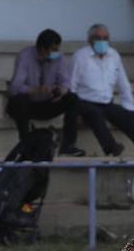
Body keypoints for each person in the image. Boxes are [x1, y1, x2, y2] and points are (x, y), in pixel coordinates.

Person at [69, 24, 134, 157]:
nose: (102, 41)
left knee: (131, 116)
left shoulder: (113, 55)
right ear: (90, 39)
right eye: (98, 38)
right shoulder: (80, 57)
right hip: (85, 103)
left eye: (105, 38)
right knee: (95, 114)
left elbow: (123, 83)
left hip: (106, 102)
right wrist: (74, 112)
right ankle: (111, 148)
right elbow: (71, 86)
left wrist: (129, 106)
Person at [7, 28, 83, 156]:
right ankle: (26, 143)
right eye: (53, 49)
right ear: (42, 49)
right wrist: (35, 90)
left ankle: (68, 145)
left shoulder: (59, 58)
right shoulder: (25, 56)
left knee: (72, 99)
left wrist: (60, 91)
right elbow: (15, 87)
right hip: (28, 104)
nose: (56, 52)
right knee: (19, 100)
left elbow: (66, 82)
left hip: (48, 102)